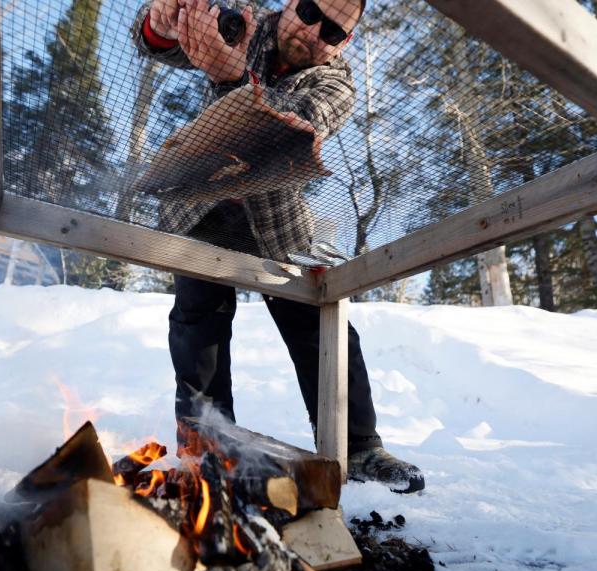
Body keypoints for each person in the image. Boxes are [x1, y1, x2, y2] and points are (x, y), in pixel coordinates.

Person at [131, 0, 424, 493]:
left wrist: (230, 79)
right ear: (289, 5)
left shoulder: (335, 84)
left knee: (320, 321)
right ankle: (205, 441)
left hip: (275, 217)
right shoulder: (246, 23)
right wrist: (161, 25)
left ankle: (359, 447)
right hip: (200, 202)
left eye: (332, 31)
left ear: (344, 43)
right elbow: (158, 45)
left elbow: (282, 134)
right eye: (310, 12)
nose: (314, 33)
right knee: (197, 319)